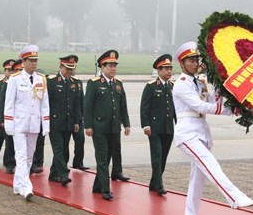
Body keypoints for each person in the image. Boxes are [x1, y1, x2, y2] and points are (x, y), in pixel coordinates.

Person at [173, 42, 253, 215]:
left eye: (196, 60)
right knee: (210, 163)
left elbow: (213, 103)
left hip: (201, 132)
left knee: (197, 182)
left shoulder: (200, 82)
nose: (195, 64)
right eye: (191, 61)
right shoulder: (181, 84)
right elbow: (200, 106)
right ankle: (234, 197)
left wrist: (220, 89)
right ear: (182, 64)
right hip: (187, 133)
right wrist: (228, 111)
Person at [4, 45, 50, 201]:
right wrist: (9, 125)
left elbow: (45, 104)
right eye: (31, 60)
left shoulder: (41, 79)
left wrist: (46, 125)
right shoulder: (15, 79)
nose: (34, 63)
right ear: (23, 61)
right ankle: (26, 188)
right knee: (21, 156)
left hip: (34, 124)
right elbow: (9, 103)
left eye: (35, 60)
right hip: (19, 124)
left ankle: (17, 184)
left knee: (29, 157)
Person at [84, 50, 131, 201]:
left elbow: (123, 106)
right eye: (110, 65)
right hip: (99, 128)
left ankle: (98, 186)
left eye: (114, 65)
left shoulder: (118, 84)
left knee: (109, 157)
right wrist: (88, 126)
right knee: (102, 159)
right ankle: (106, 189)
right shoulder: (94, 83)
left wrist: (126, 124)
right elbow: (87, 106)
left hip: (114, 127)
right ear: (102, 67)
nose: (113, 68)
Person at [140, 54, 176, 196]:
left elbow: (176, 109)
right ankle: (159, 184)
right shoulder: (151, 86)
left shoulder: (173, 86)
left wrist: (178, 125)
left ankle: (154, 183)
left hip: (168, 127)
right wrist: (145, 125)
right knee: (157, 155)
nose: (169, 71)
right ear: (159, 71)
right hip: (154, 128)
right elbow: (144, 107)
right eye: (166, 69)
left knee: (163, 157)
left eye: (170, 68)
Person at [47, 55, 82, 186]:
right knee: (58, 149)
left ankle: (53, 173)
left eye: (71, 69)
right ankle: (62, 175)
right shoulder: (51, 81)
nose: (69, 71)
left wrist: (77, 121)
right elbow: (46, 103)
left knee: (65, 149)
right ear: (61, 66)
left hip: (69, 122)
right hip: (54, 122)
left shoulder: (73, 82)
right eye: (67, 68)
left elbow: (76, 104)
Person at [0, 59, 15, 164]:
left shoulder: (15, 83)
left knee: (9, 141)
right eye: (8, 70)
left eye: (12, 70)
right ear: (4, 71)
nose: (10, 72)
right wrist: (0, 119)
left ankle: (7, 161)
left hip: (12, 117)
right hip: (1, 117)